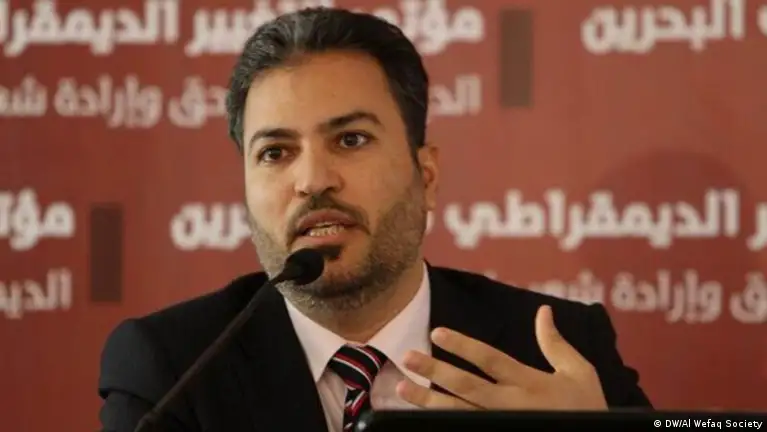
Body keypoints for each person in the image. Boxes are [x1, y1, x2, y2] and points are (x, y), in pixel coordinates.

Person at [98, 7, 652, 432]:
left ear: (426, 175)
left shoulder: (556, 353)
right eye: (275, 152)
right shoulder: (174, 369)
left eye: (350, 140)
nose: (312, 180)